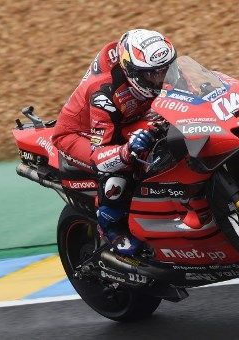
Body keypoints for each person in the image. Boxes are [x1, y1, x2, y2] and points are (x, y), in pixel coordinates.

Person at [52, 29, 177, 256]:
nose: (161, 78)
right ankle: (112, 228)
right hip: (79, 134)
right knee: (122, 164)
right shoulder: (105, 94)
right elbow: (101, 152)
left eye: (166, 69)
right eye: (153, 74)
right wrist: (127, 150)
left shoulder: (153, 72)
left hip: (128, 118)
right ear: (133, 72)